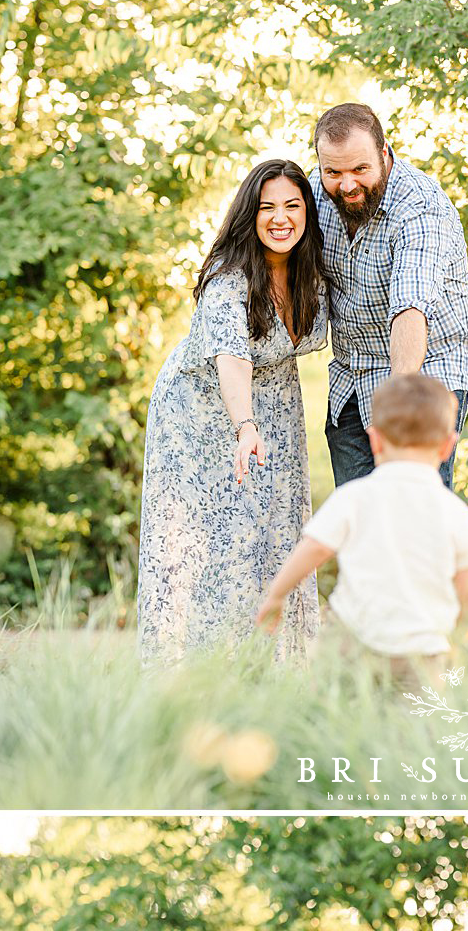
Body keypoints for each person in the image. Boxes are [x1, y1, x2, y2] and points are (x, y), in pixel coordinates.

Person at [136, 159, 328, 663]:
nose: (280, 217)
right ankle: (196, 669)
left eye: (292, 205)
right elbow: (231, 357)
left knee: (276, 532)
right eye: (267, 207)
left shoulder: (313, 275)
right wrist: (245, 426)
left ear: (308, 210)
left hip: (277, 409)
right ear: (250, 213)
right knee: (215, 545)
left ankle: (275, 668)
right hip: (200, 414)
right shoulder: (229, 278)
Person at [254, 372, 468, 678]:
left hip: (352, 639)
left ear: (375, 439)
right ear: (448, 446)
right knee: (416, 725)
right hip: (422, 650)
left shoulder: (354, 497)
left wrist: (276, 596)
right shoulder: (455, 513)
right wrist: (457, 632)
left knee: (332, 715)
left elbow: (313, 548)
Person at [309, 102, 468, 491]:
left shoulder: (420, 208)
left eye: (360, 169)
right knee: (358, 515)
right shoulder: (316, 194)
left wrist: (399, 412)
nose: (347, 184)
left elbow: (410, 308)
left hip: (426, 371)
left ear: (385, 154)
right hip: (354, 373)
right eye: (333, 172)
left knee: (412, 506)